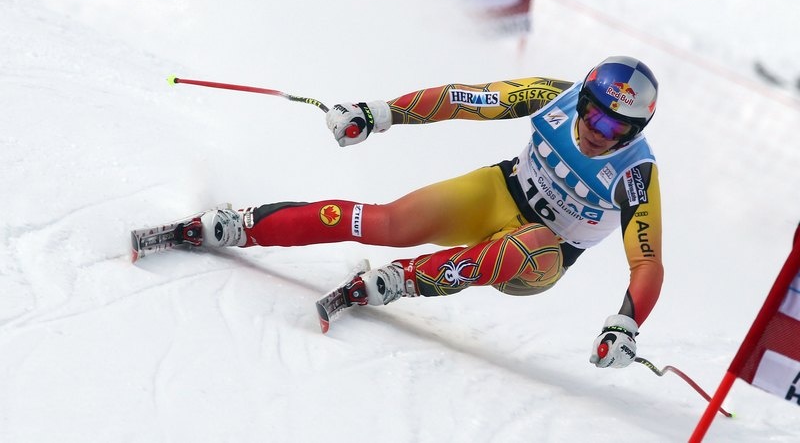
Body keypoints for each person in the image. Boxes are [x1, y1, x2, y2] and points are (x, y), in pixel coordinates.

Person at [195, 55, 663, 369]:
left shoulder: (635, 172)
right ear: (581, 99)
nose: (599, 132)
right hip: (501, 192)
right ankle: (242, 226)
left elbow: (647, 262)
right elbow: (465, 99)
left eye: (618, 128)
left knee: (534, 241)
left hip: (541, 259)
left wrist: (625, 323)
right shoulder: (552, 96)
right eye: (594, 115)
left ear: (637, 130)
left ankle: (404, 279)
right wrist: (380, 113)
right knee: (386, 223)